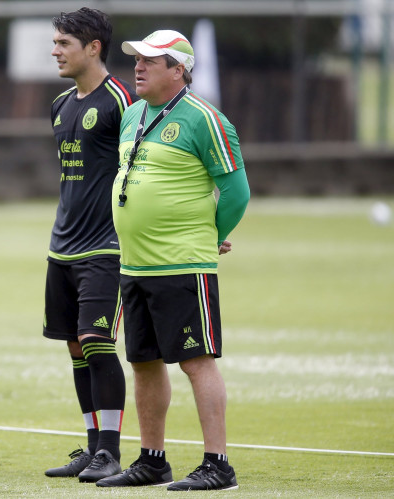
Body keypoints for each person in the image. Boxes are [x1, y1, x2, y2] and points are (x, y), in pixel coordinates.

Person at [95, 30, 249, 490]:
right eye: (137, 58)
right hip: (135, 264)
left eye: (150, 60)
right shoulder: (133, 115)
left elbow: (237, 193)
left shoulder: (206, 118)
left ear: (178, 70)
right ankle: (152, 459)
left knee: (196, 360)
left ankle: (218, 464)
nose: (138, 66)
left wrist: (209, 237)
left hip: (183, 264)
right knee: (143, 363)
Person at [42, 8, 138, 483]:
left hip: (106, 246)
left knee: (100, 342)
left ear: (93, 47)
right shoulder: (60, 105)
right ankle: (92, 446)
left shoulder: (123, 101)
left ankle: (111, 451)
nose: (54, 51)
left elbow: (148, 168)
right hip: (62, 248)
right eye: (55, 42)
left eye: (63, 43)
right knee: (76, 346)